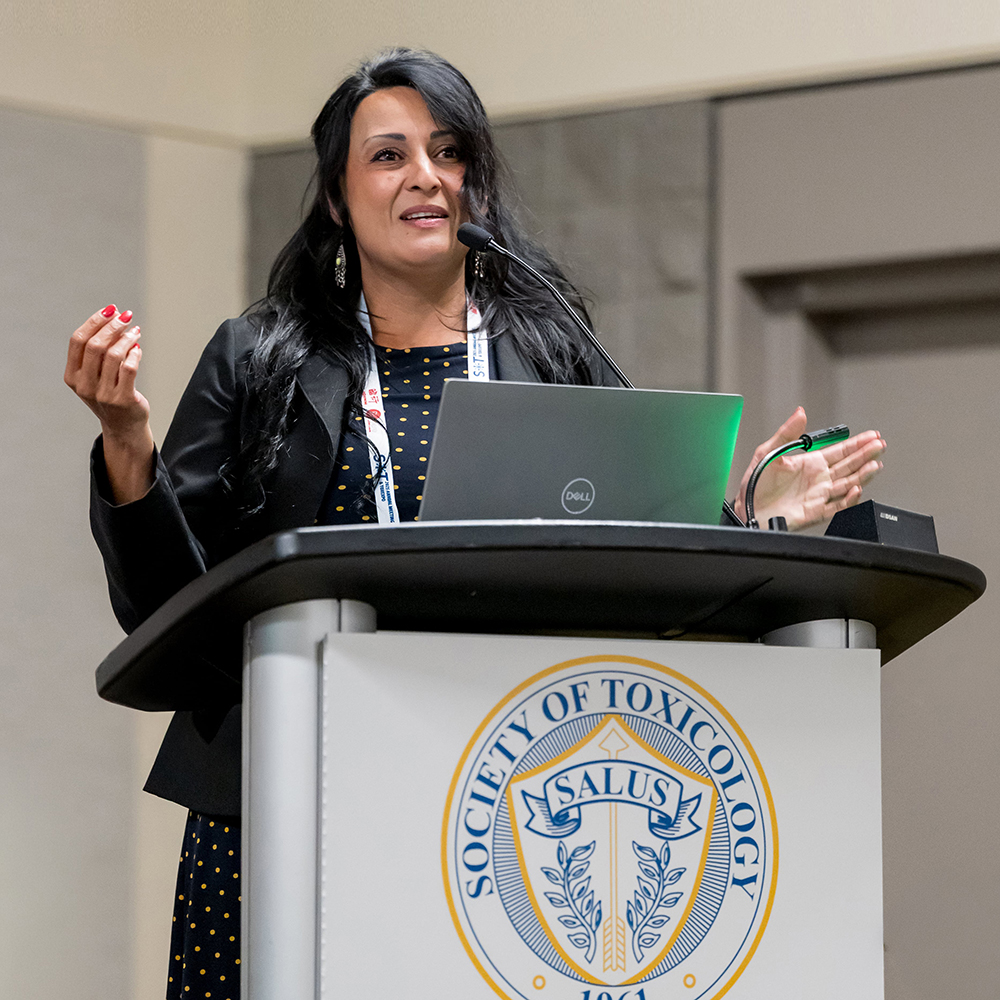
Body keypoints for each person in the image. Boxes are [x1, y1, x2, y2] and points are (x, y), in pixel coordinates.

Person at [63, 48, 885, 1000]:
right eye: (389, 155)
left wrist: (753, 519)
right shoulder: (262, 357)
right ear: (336, 196)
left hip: (500, 797)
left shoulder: (547, 342)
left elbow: (640, 562)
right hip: (280, 797)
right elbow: (166, 610)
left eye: (448, 151)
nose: (425, 176)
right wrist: (128, 444)